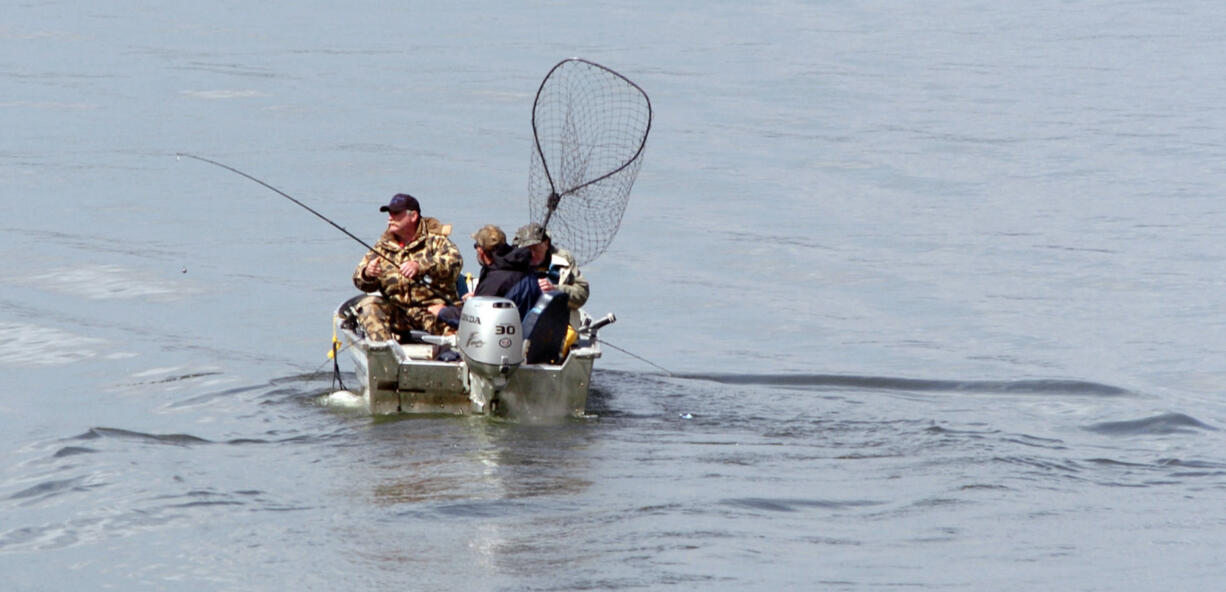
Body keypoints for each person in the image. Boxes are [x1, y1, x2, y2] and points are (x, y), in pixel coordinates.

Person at [352, 193, 463, 340]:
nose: (390, 218)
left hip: (433, 310)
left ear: (413, 216)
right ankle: (384, 353)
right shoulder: (382, 246)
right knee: (368, 305)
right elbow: (358, 279)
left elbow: (455, 263)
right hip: (398, 312)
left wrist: (420, 266)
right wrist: (368, 273)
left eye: (396, 213)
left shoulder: (436, 240)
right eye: (389, 213)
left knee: (461, 333)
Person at [435, 224, 533, 328]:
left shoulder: (495, 279)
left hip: (502, 332)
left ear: (480, 250)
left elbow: (476, 318)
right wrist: (477, 298)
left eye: (476, 245)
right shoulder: (520, 266)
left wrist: (442, 311)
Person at [507, 222, 589, 327]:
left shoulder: (563, 259)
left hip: (558, 327)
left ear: (546, 243)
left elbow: (582, 294)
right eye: (527, 249)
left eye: (535, 248)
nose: (531, 254)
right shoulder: (513, 263)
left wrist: (555, 290)